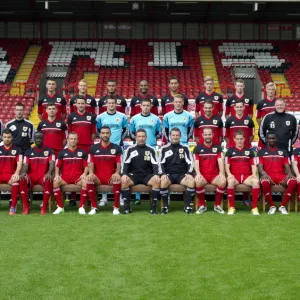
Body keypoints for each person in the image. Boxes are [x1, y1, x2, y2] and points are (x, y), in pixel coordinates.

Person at [120, 129, 160, 214]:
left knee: (156, 181)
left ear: (146, 137)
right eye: (139, 136)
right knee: (124, 181)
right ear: (136, 137)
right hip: (134, 175)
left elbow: (155, 164)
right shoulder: (130, 149)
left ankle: (153, 208)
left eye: (143, 136)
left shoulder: (151, 149)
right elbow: (125, 163)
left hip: (147, 175)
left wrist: (156, 174)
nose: (141, 138)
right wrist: (124, 174)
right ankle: (127, 208)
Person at [53, 132, 94, 215]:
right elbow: (57, 166)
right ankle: (60, 207)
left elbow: (86, 166)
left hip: (77, 178)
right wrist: (57, 175)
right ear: (68, 140)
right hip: (65, 178)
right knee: (55, 183)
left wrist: (84, 174)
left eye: (75, 139)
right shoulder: (62, 152)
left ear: (78, 140)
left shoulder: (82, 152)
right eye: (71, 138)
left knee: (85, 183)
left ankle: (81, 207)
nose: (73, 140)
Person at [258, 132, 297, 215]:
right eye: (269, 138)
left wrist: (289, 173)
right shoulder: (261, 152)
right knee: (264, 182)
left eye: (273, 138)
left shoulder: (283, 152)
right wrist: (264, 174)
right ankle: (272, 206)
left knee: (293, 181)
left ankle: (282, 206)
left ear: (276, 139)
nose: (271, 140)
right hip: (268, 175)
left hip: (280, 176)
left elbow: (287, 165)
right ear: (266, 140)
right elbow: (260, 167)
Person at [160, 127, 195, 214]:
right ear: (170, 136)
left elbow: (191, 162)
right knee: (163, 182)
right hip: (169, 174)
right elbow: (160, 163)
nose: (175, 137)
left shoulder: (185, 148)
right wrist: (163, 174)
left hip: (182, 175)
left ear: (180, 136)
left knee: (191, 182)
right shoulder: (164, 148)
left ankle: (187, 206)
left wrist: (189, 173)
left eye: (177, 135)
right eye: (173, 135)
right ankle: (165, 206)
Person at [88, 126, 122, 215]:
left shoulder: (117, 148)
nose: (105, 135)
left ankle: (116, 208)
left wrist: (117, 172)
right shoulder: (93, 148)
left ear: (110, 134)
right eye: (103, 133)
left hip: (110, 177)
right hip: (98, 178)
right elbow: (91, 163)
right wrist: (91, 173)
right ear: (99, 135)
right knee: (89, 179)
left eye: (107, 133)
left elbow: (119, 163)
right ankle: (94, 207)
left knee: (117, 179)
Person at [225, 130, 260, 215]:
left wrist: (253, 174)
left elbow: (253, 165)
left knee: (256, 182)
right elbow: (226, 165)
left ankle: (254, 208)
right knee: (230, 181)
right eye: (237, 139)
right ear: (234, 139)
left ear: (244, 139)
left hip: (246, 176)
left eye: (241, 139)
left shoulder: (250, 151)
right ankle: (232, 207)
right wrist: (229, 175)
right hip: (235, 176)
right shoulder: (230, 151)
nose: (239, 141)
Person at [19, 132, 55, 215]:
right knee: (22, 179)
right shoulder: (28, 151)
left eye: (40, 138)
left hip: (42, 176)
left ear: (43, 139)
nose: (38, 140)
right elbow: (25, 165)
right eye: (36, 138)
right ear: (34, 139)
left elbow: (52, 163)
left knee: (48, 179)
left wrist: (49, 172)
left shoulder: (49, 150)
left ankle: (43, 207)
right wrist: (24, 172)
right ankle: (26, 207)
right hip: (32, 176)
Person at [194, 128, 226, 214]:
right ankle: (202, 205)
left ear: (212, 135)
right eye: (206, 134)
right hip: (203, 175)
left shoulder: (218, 147)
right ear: (202, 135)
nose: (208, 136)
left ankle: (217, 205)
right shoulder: (198, 148)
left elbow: (220, 160)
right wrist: (198, 174)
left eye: (209, 134)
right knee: (198, 181)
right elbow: (196, 162)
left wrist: (222, 173)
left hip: (214, 175)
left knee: (223, 181)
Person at [0, 129, 23, 215]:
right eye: (5, 137)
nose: (7, 139)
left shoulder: (18, 149)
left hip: (10, 175)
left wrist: (17, 173)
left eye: (9, 137)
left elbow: (19, 163)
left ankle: (13, 207)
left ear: (12, 137)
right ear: (2, 137)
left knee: (16, 181)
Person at [256, 82, 277, 150]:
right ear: (266, 90)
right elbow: (258, 118)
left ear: (275, 91)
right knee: (262, 150)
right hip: (265, 131)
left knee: (276, 149)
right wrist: (263, 126)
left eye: (272, 89)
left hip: (276, 130)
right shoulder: (260, 103)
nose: (271, 91)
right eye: (269, 89)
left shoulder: (278, 102)